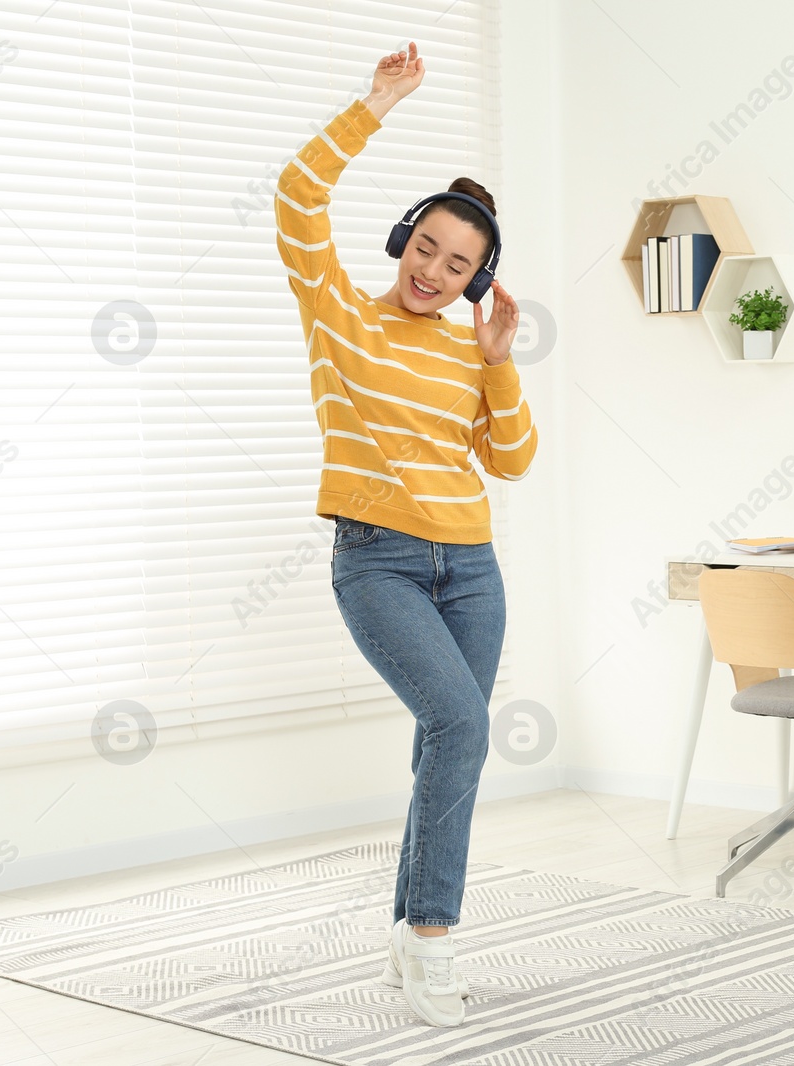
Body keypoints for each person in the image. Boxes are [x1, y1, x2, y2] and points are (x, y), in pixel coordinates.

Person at [273, 40, 536, 1028]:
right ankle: (433, 944)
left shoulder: (470, 350)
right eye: (426, 246)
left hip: (470, 566)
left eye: (458, 263)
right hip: (375, 559)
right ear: (402, 239)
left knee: (448, 742)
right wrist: (374, 104)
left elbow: (510, 459)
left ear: (476, 279)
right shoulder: (339, 314)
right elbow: (297, 199)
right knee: (460, 724)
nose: (434, 269)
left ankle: (404, 931)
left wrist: (501, 361)